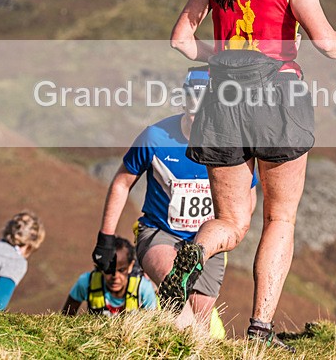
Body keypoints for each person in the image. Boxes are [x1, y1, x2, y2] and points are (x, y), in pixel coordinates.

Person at [166, 0, 336, 351]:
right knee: (280, 220)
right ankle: (259, 333)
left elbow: (181, 41)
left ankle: (196, 249)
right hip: (277, 98)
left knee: (231, 223)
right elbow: (326, 42)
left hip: (221, 101)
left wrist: (225, 56)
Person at [92, 68, 257, 337]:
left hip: (206, 245)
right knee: (176, 292)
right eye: (192, 103)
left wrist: (230, 233)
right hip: (160, 233)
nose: (197, 115)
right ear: (184, 100)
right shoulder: (155, 138)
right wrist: (106, 238)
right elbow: (122, 183)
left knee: (201, 322)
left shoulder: (234, 144)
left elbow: (248, 195)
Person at [63, 236, 157, 315]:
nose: (115, 276)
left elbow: (155, 323)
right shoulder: (86, 282)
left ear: (130, 266)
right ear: (101, 267)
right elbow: (66, 317)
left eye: (121, 270)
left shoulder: (143, 288)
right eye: (108, 270)